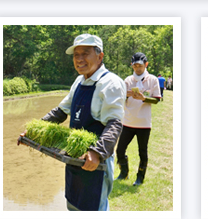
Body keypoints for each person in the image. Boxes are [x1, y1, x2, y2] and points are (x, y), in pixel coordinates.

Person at [20, 34, 126, 211]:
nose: (79, 59)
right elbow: (61, 111)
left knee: (94, 207)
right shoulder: (79, 80)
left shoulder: (111, 83)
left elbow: (115, 123)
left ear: (100, 56)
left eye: (85, 53)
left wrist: (97, 152)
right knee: (74, 203)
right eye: (76, 55)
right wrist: (34, 131)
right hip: (74, 157)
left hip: (95, 162)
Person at [115, 52, 161, 186]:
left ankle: (140, 177)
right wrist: (127, 95)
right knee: (120, 149)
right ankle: (124, 173)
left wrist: (144, 98)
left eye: (140, 65)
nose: (137, 68)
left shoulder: (152, 79)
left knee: (142, 151)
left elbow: (157, 99)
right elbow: (120, 98)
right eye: (134, 66)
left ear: (146, 65)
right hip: (128, 121)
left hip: (144, 123)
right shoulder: (128, 80)